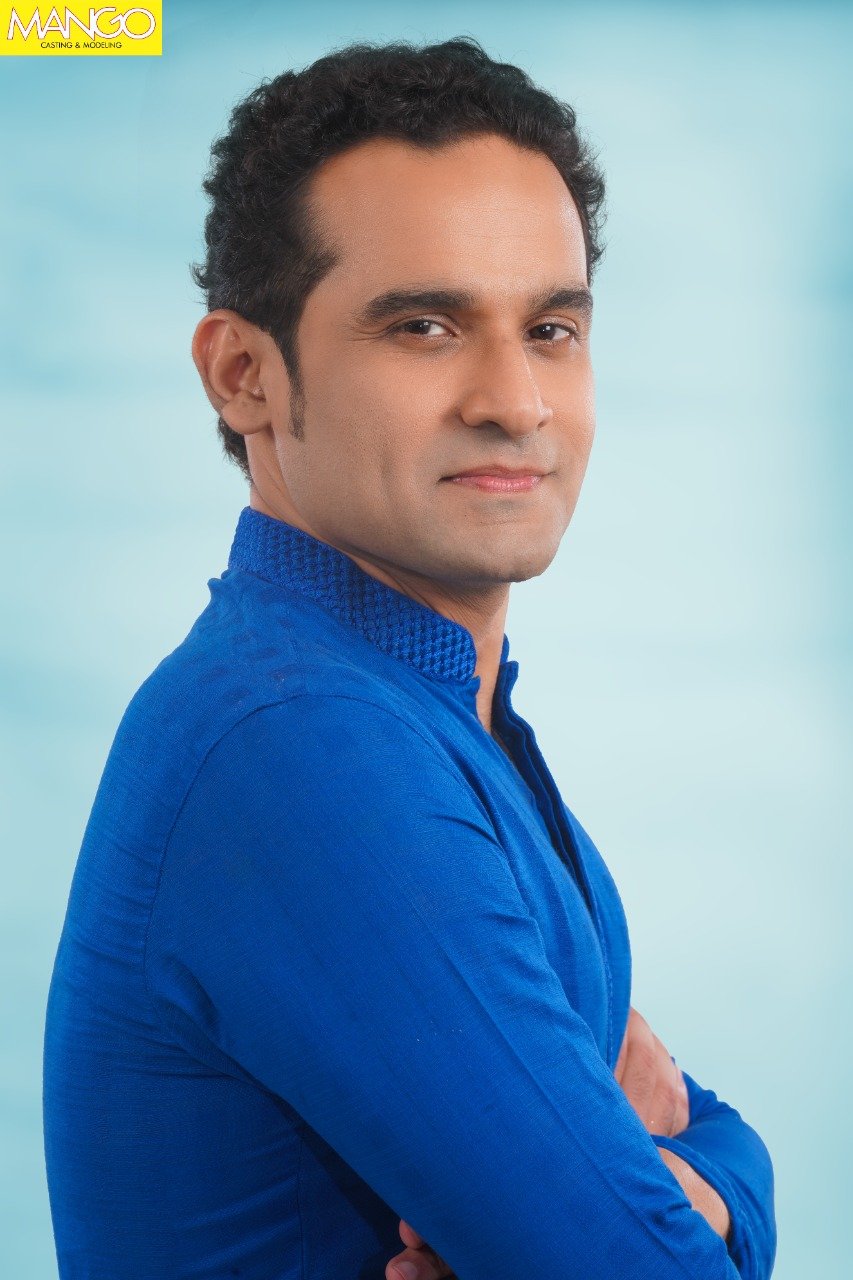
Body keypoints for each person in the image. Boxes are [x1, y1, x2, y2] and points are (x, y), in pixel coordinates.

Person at [42, 36, 776, 1280]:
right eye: (425, 326)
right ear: (243, 374)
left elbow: (667, 1157)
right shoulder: (300, 745)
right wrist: (712, 1193)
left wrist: (706, 1179)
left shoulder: (426, 705)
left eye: (551, 327)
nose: (514, 400)